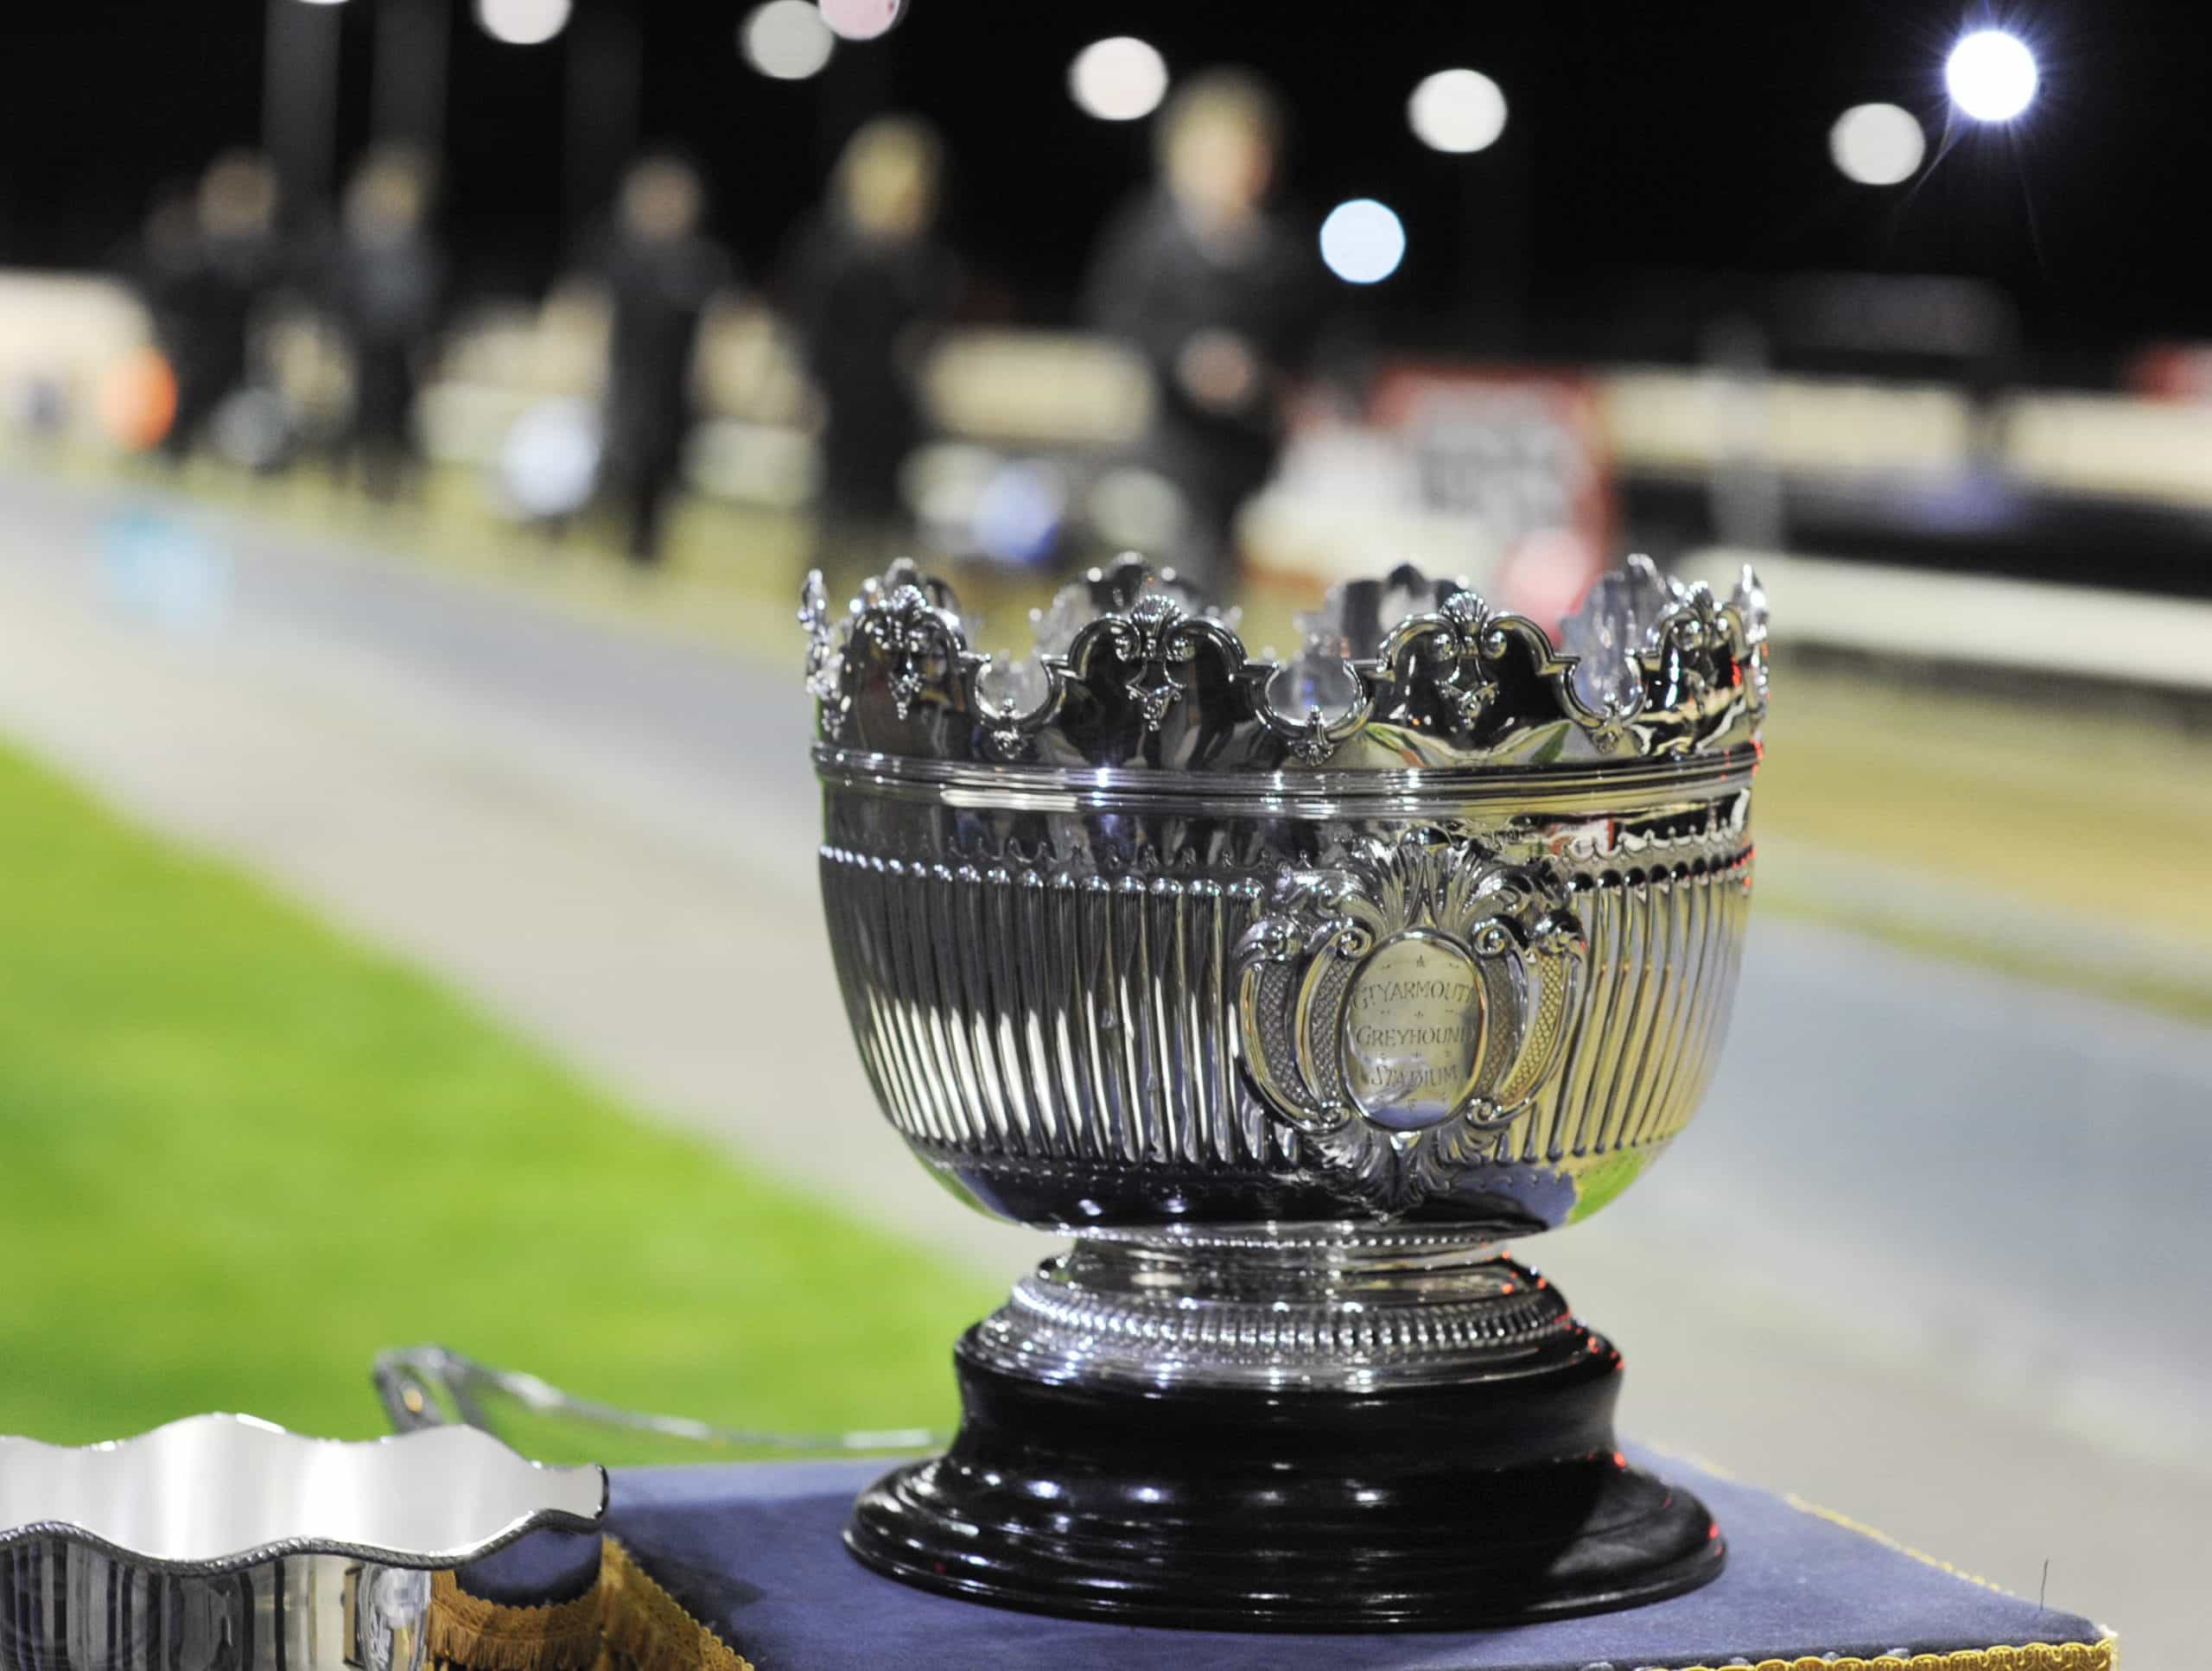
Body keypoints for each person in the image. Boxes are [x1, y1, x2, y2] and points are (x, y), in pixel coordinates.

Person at [1083, 71, 1325, 591]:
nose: (1233, 171)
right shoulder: (1146, 238)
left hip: (1255, 448)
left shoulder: (1284, 248)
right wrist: (1188, 361)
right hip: (1167, 440)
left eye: (1244, 155)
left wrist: (1266, 378)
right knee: (1173, 561)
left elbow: (1317, 339)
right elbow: (1119, 320)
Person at [783, 117, 961, 570]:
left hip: (896, 405)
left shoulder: (924, 257)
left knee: (887, 522)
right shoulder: (830, 246)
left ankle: (886, 610)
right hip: (841, 401)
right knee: (836, 514)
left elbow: (933, 324)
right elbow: (808, 325)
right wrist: (808, 391)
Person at [589, 154, 733, 565]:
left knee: (663, 486)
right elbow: (593, 313)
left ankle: (647, 553)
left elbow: (717, 328)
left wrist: (715, 381)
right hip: (625, 387)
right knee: (619, 475)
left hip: (675, 394)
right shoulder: (617, 255)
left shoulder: (701, 262)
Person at [135, 152, 283, 463]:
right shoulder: (193, 249)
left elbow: (267, 306)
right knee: (174, 443)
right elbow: (162, 296)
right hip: (188, 367)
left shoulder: (259, 258)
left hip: (235, 370)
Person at [326, 147, 444, 500]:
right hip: (361, 346)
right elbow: (338, 296)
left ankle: (391, 486)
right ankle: (347, 480)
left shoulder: (420, 250)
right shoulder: (355, 246)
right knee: (356, 416)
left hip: (401, 350)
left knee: (400, 421)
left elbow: (430, 304)